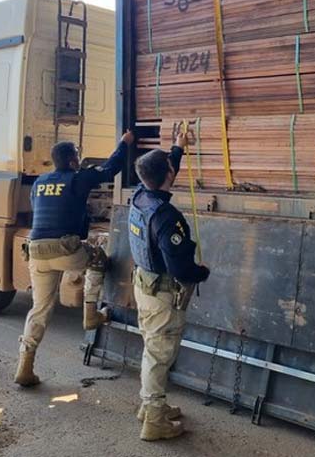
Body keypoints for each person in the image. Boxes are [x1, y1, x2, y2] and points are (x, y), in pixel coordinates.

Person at [14, 131, 136, 387]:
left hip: (36, 251)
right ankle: (91, 315)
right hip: (65, 251)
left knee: (40, 309)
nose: (79, 161)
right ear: (71, 161)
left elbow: (44, 212)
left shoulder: (39, 183)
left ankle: (25, 366)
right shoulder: (79, 178)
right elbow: (110, 168)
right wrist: (124, 144)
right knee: (99, 260)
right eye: (77, 157)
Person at [128, 130, 210, 441]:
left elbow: (160, 171)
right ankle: (154, 421)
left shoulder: (139, 195)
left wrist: (178, 147)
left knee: (152, 348)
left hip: (144, 286)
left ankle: (151, 407)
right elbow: (180, 267)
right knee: (160, 354)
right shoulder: (166, 217)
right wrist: (201, 273)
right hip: (162, 293)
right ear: (169, 175)